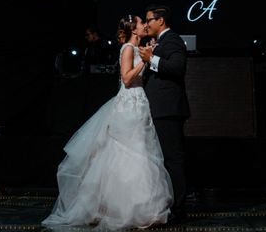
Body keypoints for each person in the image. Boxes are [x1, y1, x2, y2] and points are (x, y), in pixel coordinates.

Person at [43, 16, 173, 230]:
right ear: (133, 29)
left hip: (138, 102)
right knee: (127, 151)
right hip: (129, 104)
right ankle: (122, 208)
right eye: (141, 24)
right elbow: (127, 78)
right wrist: (145, 61)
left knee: (140, 150)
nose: (145, 26)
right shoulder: (128, 48)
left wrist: (147, 54)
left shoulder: (135, 47)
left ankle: (140, 206)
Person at [139, 5, 190, 223]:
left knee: (172, 159)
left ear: (161, 21)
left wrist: (151, 59)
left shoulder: (173, 40)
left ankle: (179, 209)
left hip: (168, 110)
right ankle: (167, 204)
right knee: (163, 159)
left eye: (149, 19)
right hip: (158, 109)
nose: (147, 23)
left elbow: (178, 67)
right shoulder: (159, 42)